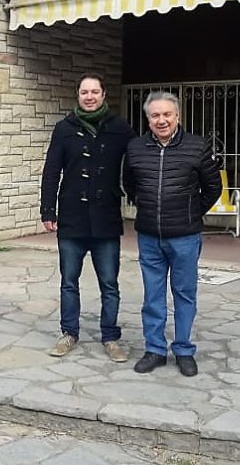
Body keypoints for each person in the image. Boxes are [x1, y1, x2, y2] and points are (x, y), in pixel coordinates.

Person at [123, 91, 222, 377]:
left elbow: (213, 188)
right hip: (149, 236)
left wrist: (192, 213)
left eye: (167, 114)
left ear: (177, 116)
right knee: (152, 296)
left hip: (185, 237)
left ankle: (183, 350)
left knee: (184, 294)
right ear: (148, 118)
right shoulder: (136, 147)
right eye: (155, 115)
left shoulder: (196, 146)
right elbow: (129, 184)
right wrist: (144, 206)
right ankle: (154, 349)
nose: (162, 120)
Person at [40, 74, 135, 362]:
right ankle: (69, 332)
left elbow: (134, 163)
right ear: (78, 95)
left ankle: (110, 337)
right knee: (69, 281)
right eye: (85, 92)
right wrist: (48, 210)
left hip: (106, 219)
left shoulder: (120, 128)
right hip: (72, 219)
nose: (90, 96)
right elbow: (51, 170)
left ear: (104, 95)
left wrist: (133, 193)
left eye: (95, 91)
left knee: (110, 283)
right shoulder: (63, 129)